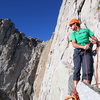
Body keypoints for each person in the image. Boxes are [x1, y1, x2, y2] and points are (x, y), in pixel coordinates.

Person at [69, 18, 99, 89]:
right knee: (76, 69)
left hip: (87, 51)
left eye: (71, 25)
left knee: (87, 70)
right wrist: (83, 46)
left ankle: (86, 89)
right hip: (78, 51)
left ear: (75, 24)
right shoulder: (73, 34)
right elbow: (74, 44)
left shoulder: (86, 30)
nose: (70, 27)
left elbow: (95, 38)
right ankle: (76, 91)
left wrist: (95, 41)